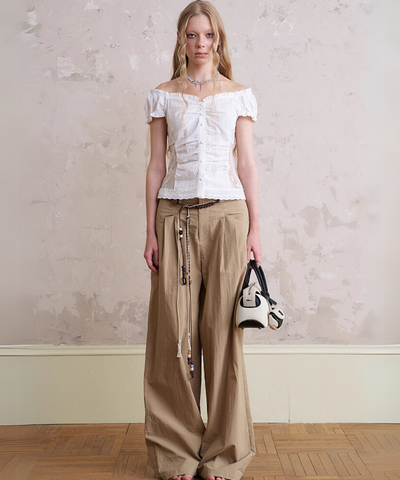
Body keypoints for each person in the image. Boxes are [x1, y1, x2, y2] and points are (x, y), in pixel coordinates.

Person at [143, 2, 262, 480]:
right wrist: (148, 230)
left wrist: (256, 229)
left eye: (208, 35)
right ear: (181, 39)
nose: (200, 43)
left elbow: (246, 163)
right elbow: (156, 164)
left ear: (218, 39)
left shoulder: (239, 95)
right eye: (192, 35)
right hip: (174, 216)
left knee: (222, 334)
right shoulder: (162, 96)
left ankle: (224, 456)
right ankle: (177, 453)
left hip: (228, 218)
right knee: (174, 335)